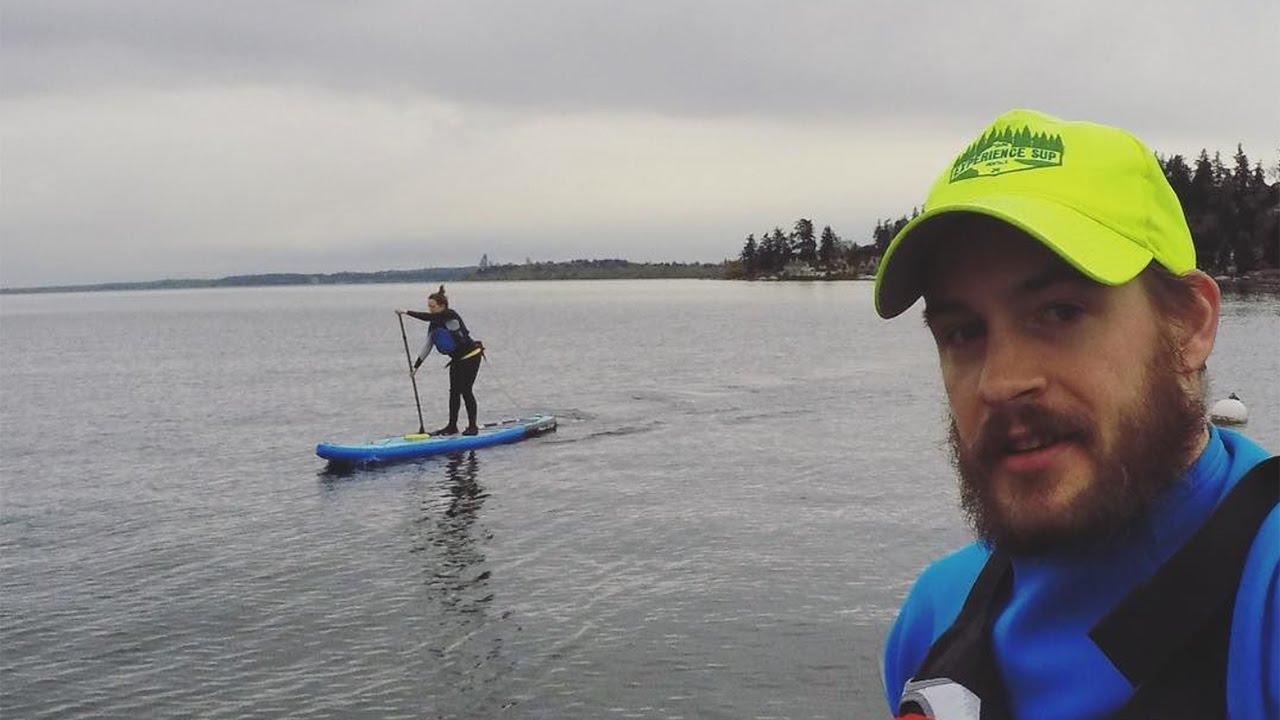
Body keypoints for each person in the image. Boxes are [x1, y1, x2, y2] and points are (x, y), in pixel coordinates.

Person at [873, 109, 1277, 720]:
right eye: (962, 332)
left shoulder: (1263, 599)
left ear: (1190, 326)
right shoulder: (936, 620)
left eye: (1060, 313)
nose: (1002, 382)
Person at [396, 285, 484, 436]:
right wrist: (416, 367)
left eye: (433, 306)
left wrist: (407, 312)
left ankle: (473, 427)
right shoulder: (434, 323)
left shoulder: (450, 314)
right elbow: (428, 346)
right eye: (428, 306)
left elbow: (429, 317)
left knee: (466, 390)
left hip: (471, 356)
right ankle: (452, 427)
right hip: (457, 359)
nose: (430, 309)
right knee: (454, 392)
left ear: (442, 306)